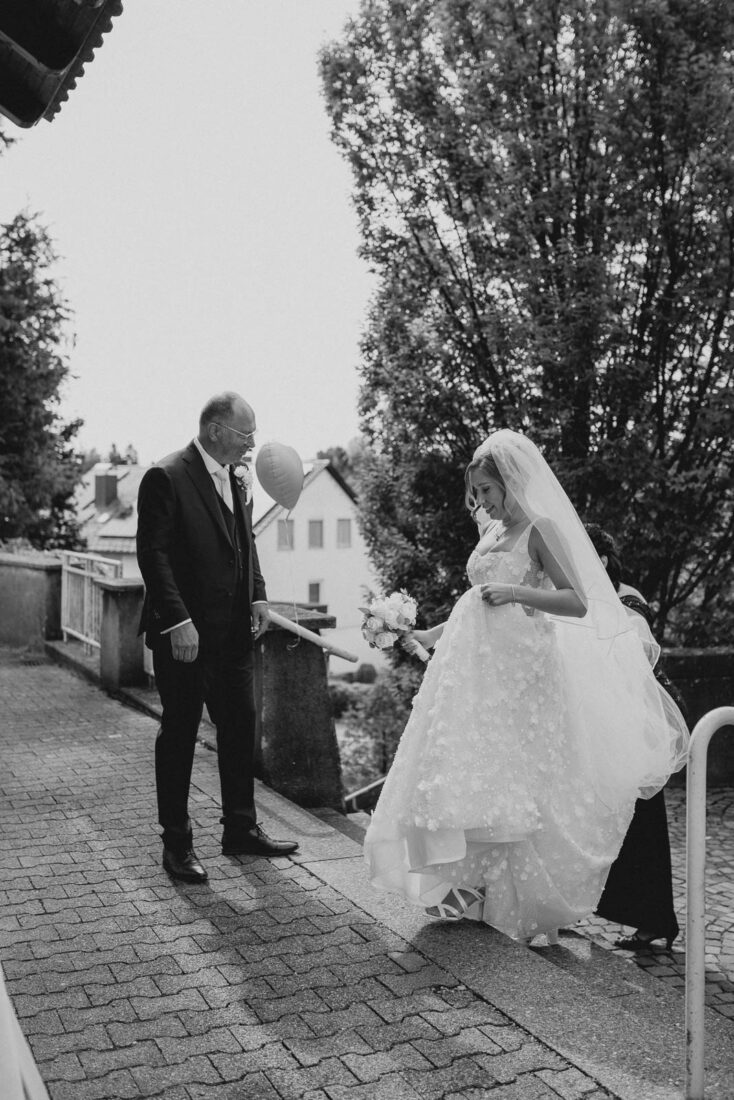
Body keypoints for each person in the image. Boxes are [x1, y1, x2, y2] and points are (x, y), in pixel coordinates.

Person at [363, 429, 689, 943]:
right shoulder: (490, 534)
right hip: (480, 671)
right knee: (475, 772)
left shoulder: (540, 528)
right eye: (478, 494)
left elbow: (576, 600)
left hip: (522, 670)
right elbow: (476, 599)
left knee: (518, 781)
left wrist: (516, 591)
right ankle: (475, 887)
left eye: (488, 491)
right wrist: (428, 631)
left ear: (510, 482)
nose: (483, 503)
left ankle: (518, 899)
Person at [136, 391, 298, 883]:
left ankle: (240, 829)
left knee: (240, 725)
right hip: (184, 634)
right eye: (246, 434)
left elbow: (244, 543)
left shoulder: (237, 477)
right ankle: (177, 844)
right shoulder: (165, 475)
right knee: (180, 733)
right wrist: (176, 620)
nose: (252, 444)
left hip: (232, 635)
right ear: (215, 431)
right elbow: (153, 555)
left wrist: (258, 595)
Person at [586, 524, 684, 951]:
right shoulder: (601, 600)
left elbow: (635, 661)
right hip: (614, 725)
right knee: (619, 821)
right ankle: (638, 914)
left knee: (642, 822)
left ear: (602, 561)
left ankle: (657, 919)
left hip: (637, 727)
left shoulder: (627, 602)